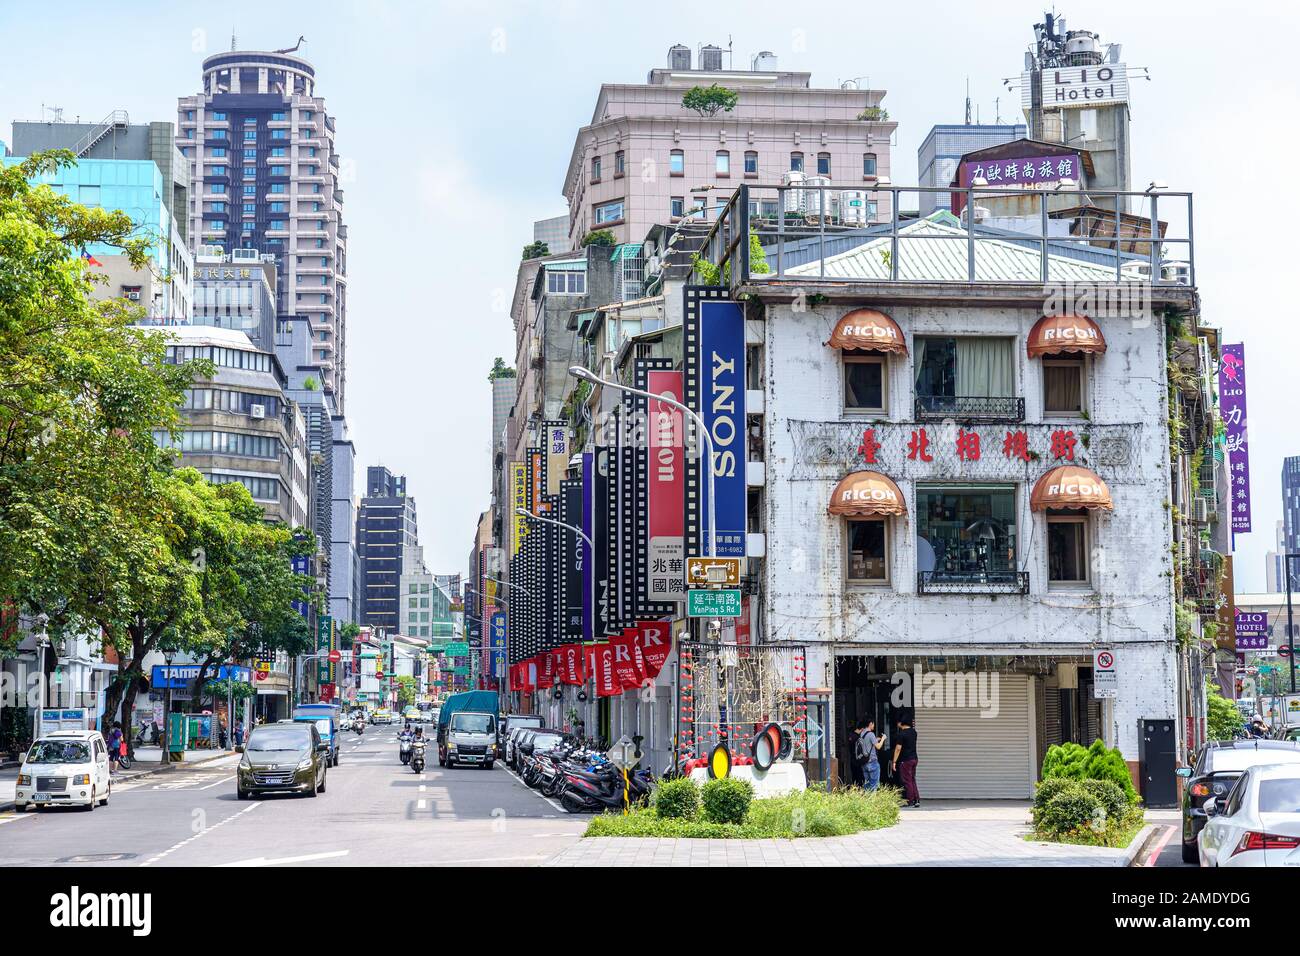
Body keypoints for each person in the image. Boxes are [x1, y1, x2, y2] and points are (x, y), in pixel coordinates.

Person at [890, 715, 920, 807]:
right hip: (914, 758)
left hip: (906, 760)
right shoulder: (914, 732)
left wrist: (894, 761)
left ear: (901, 723)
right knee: (912, 779)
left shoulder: (901, 734)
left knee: (907, 780)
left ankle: (910, 800)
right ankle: (916, 799)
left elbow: (898, 749)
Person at [856, 719, 885, 791]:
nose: (874, 725)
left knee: (867, 785)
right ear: (870, 723)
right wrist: (883, 739)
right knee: (874, 786)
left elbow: (867, 743)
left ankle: (867, 801)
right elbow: (878, 746)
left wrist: (875, 739)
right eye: (873, 723)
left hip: (864, 763)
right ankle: (872, 801)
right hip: (872, 763)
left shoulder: (862, 733)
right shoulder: (871, 734)